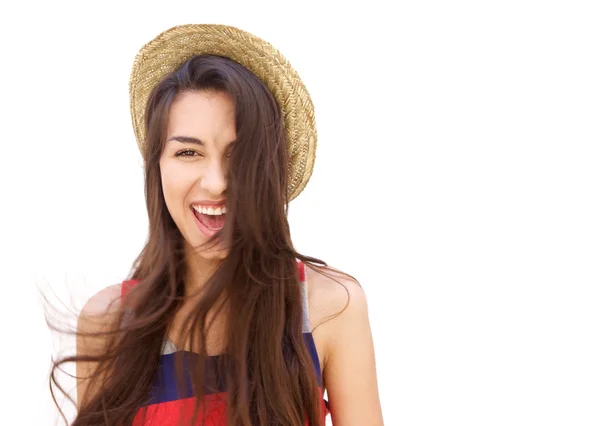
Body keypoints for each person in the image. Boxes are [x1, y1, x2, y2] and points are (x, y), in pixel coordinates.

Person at [52, 24, 383, 426]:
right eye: (188, 152)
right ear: (157, 166)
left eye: (239, 154)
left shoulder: (330, 307)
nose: (217, 182)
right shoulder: (108, 322)